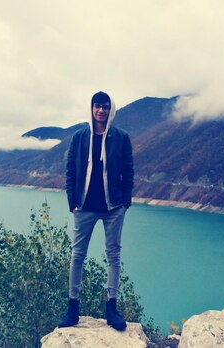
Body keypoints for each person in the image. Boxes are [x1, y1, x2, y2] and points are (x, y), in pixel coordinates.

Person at [58, 91, 134, 331]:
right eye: (97, 106)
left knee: (113, 255)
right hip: (85, 207)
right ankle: (73, 309)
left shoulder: (121, 138)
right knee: (77, 255)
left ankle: (112, 308)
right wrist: (73, 201)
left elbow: (129, 170)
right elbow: (70, 170)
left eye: (105, 106)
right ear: (91, 108)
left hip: (113, 207)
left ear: (111, 110)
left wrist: (125, 202)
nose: (101, 110)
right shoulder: (79, 137)